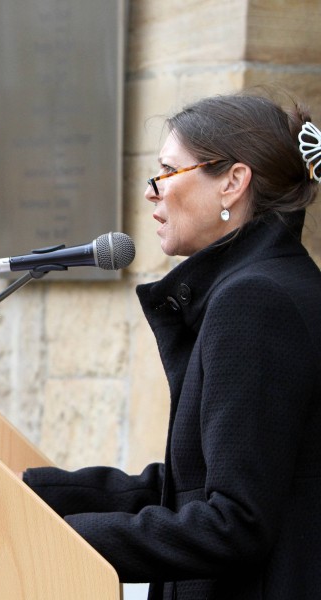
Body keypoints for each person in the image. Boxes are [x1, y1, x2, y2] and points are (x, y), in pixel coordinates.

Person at [22, 91, 321, 600]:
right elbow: (198, 481)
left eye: (167, 171)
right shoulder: (268, 283)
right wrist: (35, 492)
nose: (151, 193)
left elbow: (235, 522)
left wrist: (59, 538)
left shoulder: (254, 302)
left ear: (232, 182)